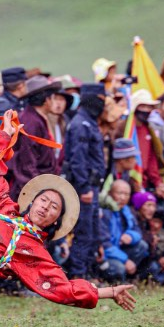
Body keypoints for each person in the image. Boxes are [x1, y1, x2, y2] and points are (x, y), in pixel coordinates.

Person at [0, 110, 136, 318]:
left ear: (55, 220)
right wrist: (5, 135)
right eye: (44, 200)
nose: (46, 206)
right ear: (33, 200)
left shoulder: (33, 249)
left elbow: (62, 288)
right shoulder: (3, 206)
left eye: (54, 207)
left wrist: (111, 291)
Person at [64, 83, 107, 279]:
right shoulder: (81, 124)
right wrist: (83, 187)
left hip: (92, 185)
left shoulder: (89, 122)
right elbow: (77, 159)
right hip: (85, 187)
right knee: (84, 233)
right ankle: (79, 276)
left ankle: (88, 274)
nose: (103, 104)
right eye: (100, 100)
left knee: (93, 233)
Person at [6, 76, 62, 199]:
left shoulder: (36, 119)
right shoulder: (31, 122)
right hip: (30, 190)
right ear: (46, 100)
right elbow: (27, 161)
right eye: (52, 97)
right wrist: (36, 191)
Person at [98, 180, 149, 283]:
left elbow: (137, 230)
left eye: (126, 194)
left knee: (142, 246)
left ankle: (127, 278)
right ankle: (108, 280)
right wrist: (125, 260)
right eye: (119, 193)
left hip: (118, 249)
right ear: (110, 193)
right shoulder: (104, 211)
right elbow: (105, 245)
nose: (123, 197)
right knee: (119, 268)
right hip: (104, 254)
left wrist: (131, 236)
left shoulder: (126, 210)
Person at [129, 90, 164, 199]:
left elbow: (152, 160)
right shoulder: (125, 129)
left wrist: (158, 183)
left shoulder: (148, 129)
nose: (147, 110)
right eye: (143, 106)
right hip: (127, 183)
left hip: (144, 183)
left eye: (149, 107)